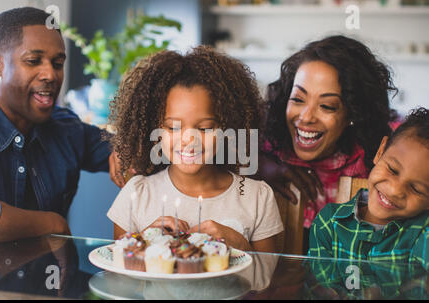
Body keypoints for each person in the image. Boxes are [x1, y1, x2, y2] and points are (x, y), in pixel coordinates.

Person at [106, 46, 283, 252]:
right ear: (153, 129)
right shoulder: (137, 195)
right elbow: (120, 274)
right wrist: (143, 243)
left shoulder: (257, 198)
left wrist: (241, 246)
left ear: (229, 128)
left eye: (205, 128)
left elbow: (266, 281)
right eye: (173, 127)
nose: (189, 140)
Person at [0, 7, 119, 245]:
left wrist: (126, 150)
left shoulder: (67, 128)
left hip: (52, 280)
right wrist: (53, 224)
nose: (51, 75)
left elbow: (137, 150)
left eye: (57, 63)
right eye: (33, 61)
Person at [260, 35, 398, 251]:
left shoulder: (373, 166)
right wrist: (260, 166)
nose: (306, 117)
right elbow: (221, 152)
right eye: (297, 99)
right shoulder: (267, 143)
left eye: (327, 106)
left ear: (353, 113)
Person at [308, 107, 429, 270]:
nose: (395, 190)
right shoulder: (327, 224)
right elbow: (318, 289)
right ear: (380, 151)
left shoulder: (423, 234)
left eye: (416, 189)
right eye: (392, 170)